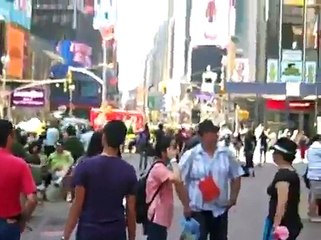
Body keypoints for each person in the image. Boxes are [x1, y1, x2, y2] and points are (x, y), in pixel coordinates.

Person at [62, 120, 137, 240]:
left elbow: (77, 204)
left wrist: (65, 236)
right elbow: (131, 210)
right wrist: (132, 237)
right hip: (116, 232)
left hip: (89, 231)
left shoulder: (85, 166)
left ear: (104, 138)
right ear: (122, 141)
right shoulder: (128, 171)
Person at [179, 120, 243, 240]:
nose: (215, 135)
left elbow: (237, 175)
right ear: (201, 136)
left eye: (215, 132)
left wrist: (233, 198)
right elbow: (179, 180)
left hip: (220, 210)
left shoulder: (226, 154)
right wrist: (186, 204)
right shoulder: (191, 155)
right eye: (210, 132)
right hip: (197, 210)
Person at [145, 136, 190, 240]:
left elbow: (179, 184)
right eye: (173, 147)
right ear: (164, 151)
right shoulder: (159, 168)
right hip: (157, 217)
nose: (177, 150)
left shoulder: (162, 166)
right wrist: (174, 159)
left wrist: (186, 204)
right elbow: (177, 179)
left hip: (161, 218)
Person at [0, 120, 38, 240]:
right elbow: (32, 200)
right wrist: (22, 220)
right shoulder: (19, 164)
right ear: (10, 136)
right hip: (9, 224)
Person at [263, 138, 302, 240]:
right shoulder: (291, 172)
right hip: (291, 221)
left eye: (275, 152)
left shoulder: (283, 176)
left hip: (283, 224)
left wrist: (276, 225)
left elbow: (282, 203)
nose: (273, 155)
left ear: (280, 155)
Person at [306, 135, 321, 221]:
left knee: (313, 194)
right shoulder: (318, 149)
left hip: (313, 173)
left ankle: (312, 213)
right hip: (318, 174)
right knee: (315, 196)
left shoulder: (311, 148)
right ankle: (313, 215)